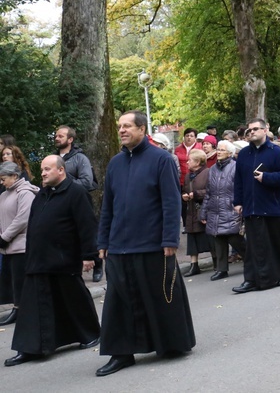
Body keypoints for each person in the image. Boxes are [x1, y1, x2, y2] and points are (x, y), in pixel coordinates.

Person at [97, 110, 195, 377]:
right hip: (119, 245)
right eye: (119, 126)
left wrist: (169, 239)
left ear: (142, 129)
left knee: (160, 297)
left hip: (152, 243)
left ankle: (171, 344)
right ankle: (121, 353)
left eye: (127, 126)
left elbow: (171, 202)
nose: (122, 130)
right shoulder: (115, 164)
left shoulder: (161, 159)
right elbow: (108, 206)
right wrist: (103, 240)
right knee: (118, 302)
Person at [4, 156, 100, 366]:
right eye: (42, 170)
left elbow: (87, 225)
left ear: (61, 170)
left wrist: (88, 255)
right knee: (33, 307)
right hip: (38, 260)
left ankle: (90, 334)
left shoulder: (76, 193)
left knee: (75, 300)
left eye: (48, 169)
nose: (43, 173)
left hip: (64, 259)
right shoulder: (41, 195)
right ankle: (30, 348)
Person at [232, 118, 280, 293]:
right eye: (249, 130)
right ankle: (251, 279)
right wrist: (237, 202)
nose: (252, 132)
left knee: (277, 243)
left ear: (264, 130)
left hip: (272, 205)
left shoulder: (275, 151)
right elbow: (238, 180)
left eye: (255, 129)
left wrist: (266, 178)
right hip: (251, 206)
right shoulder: (244, 154)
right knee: (253, 246)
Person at [54, 125, 101, 282]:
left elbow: (87, 182)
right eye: (56, 135)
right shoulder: (53, 159)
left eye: (61, 136)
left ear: (70, 139)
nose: (57, 138)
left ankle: (98, 264)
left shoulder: (80, 158)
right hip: (59, 203)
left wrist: (65, 180)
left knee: (87, 233)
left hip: (79, 203)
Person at [0, 162, 39, 326]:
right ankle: (17, 308)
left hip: (21, 245)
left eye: (3, 179)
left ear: (14, 176)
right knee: (13, 281)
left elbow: (22, 218)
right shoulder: (4, 195)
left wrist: (5, 237)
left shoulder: (25, 193)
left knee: (21, 280)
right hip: (8, 246)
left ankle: (23, 309)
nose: (2, 182)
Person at [201, 140, 246, 280]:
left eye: (222, 150)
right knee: (218, 238)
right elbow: (208, 192)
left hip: (231, 207)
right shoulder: (212, 169)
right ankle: (221, 269)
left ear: (230, 153)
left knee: (234, 237)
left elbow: (242, 188)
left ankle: (252, 259)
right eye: (218, 149)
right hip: (215, 208)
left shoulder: (236, 167)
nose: (219, 152)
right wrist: (203, 211)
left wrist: (242, 205)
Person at [181, 149, 213, 277]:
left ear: (198, 162)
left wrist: (197, 194)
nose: (187, 162)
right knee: (192, 238)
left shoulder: (208, 173)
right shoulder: (188, 175)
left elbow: (211, 191)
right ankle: (194, 265)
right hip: (191, 210)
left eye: (190, 160)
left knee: (208, 237)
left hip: (204, 209)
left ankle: (217, 261)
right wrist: (184, 195)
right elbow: (184, 189)